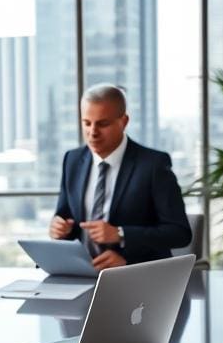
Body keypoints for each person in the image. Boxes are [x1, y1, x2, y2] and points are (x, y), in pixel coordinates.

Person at [49, 84, 191, 270]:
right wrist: (59, 228)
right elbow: (65, 215)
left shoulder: (153, 165)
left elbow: (179, 233)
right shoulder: (72, 160)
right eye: (87, 123)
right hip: (81, 275)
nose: (93, 132)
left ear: (123, 122)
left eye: (102, 123)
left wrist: (121, 235)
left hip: (136, 278)